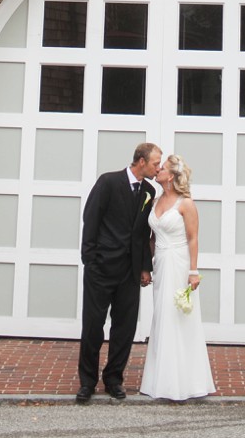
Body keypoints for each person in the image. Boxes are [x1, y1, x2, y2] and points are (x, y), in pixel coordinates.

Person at [77, 142, 162, 403]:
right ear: (140, 161)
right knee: (93, 327)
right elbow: (90, 219)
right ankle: (87, 382)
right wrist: (90, 259)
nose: (158, 169)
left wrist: (145, 267)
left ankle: (113, 378)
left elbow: (144, 234)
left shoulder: (149, 190)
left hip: (130, 272)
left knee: (124, 329)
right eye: (155, 164)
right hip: (101, 268)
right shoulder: (108, 182)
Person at [140, 152, 216, 402]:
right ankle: (160, 379)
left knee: (180, 318)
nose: (157, 170)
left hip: (180, 263)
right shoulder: (155, 201)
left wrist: (193, 271)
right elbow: (152, 238)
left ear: (171, 175)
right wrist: (145, 266)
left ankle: (186, 382)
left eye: (162, 168)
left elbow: (193, 238)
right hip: (161, 263)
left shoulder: (186, 203)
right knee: (162, 316)